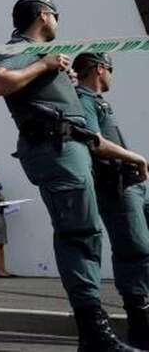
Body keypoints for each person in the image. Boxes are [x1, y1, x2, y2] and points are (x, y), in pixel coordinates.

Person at [0, 0, 140, 351]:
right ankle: (94, 334)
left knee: (85, 232)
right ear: (44, 15)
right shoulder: (22, 47)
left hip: (70, 147)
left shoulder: (40, 54)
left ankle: (95, 333)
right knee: (79, 234)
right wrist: (44, 65)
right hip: (55, 147)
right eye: (56, 15)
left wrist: (59, 76)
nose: (57, 22)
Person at [73, 52, 149, 349]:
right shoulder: (84, 99)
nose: (111, 76)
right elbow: (95, 141)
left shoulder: (98, 101)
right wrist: (136, 157)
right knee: (135, 250)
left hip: (133, 184)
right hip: (116, 187)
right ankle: (140, 325)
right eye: (111, 70)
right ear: (100, 69)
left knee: (143, 250)